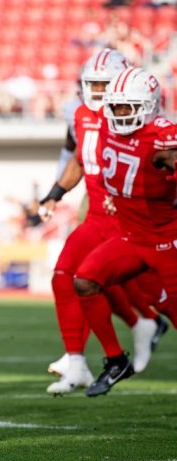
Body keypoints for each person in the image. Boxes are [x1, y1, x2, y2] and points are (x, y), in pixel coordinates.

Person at [38, 49, 169, 395]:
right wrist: (54, 193)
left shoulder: (148, 127)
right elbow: (78, 158)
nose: (98, 93)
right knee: (75, 277)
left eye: (104, 84)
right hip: (104, 217)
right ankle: (84, 360)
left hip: (142, 224)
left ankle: (144, 322)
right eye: (92, 85)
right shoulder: (85, 116)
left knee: (159, 296)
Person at [74, 67, 177, 396]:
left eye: (127, 107)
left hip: (165, 240)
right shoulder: (106, 125)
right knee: (85, 281)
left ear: (148, 106)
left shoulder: (162, 139)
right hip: (130, 236)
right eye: (115, 106)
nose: (119, 113)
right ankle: (116, 360)